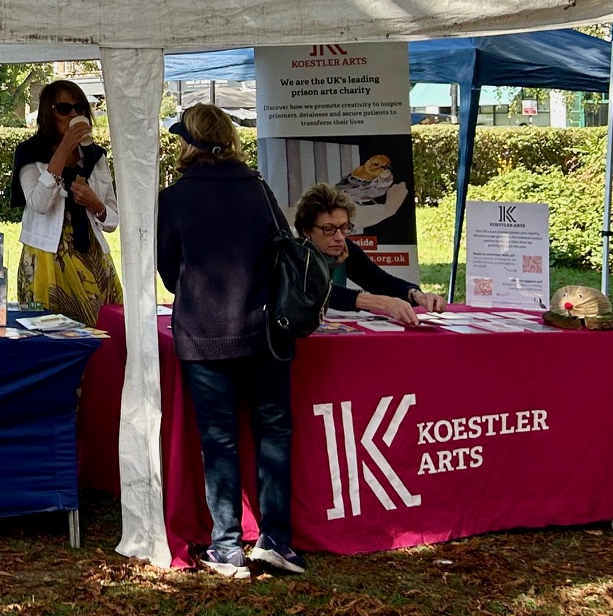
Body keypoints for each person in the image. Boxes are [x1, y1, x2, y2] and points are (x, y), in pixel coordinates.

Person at [156, 103, 302, 579]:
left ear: (189, 143)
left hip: (204, 332)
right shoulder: (258, 189)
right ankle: (277, 540)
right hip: (264, 331)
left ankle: (227, 547)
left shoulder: (175, 197)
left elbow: (167, 271)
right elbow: (284, 252)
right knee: (273, 432)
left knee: (218, 440)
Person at [13, 80, 122, 326]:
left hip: (91, 257)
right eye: (64, 108)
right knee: (48, 334)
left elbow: (113, 219)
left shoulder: (96, 156)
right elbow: (38, 204)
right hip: (46, 257)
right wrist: (63, 150)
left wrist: (96, 205)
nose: (74, 114)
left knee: (101, 331)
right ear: (48, 114)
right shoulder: (30, 153)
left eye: (80, 107)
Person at [294, 183, 445, 324]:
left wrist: (416, 295)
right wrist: (383, 303)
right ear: (306, 230)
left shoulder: (344, 248)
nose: (339, 237)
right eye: (328, 229)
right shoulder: (293, 254)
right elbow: (322, 292)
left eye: (345, 227)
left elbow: (379, 281)